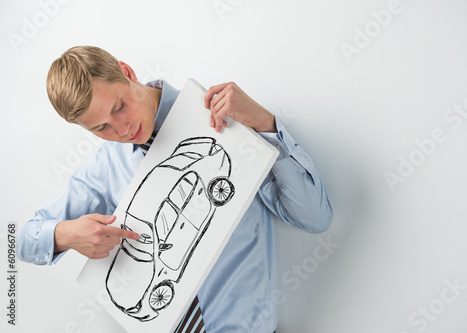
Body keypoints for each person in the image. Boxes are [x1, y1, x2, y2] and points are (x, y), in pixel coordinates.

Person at [19, 45, 333, 332]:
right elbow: (15, 243)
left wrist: (266, 125)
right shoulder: (106, 168)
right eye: (101, 128)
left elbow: (315, 219)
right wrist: (65, 235)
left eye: (119, 107)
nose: (122, 129)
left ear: (126, 73)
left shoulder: (224, 123)